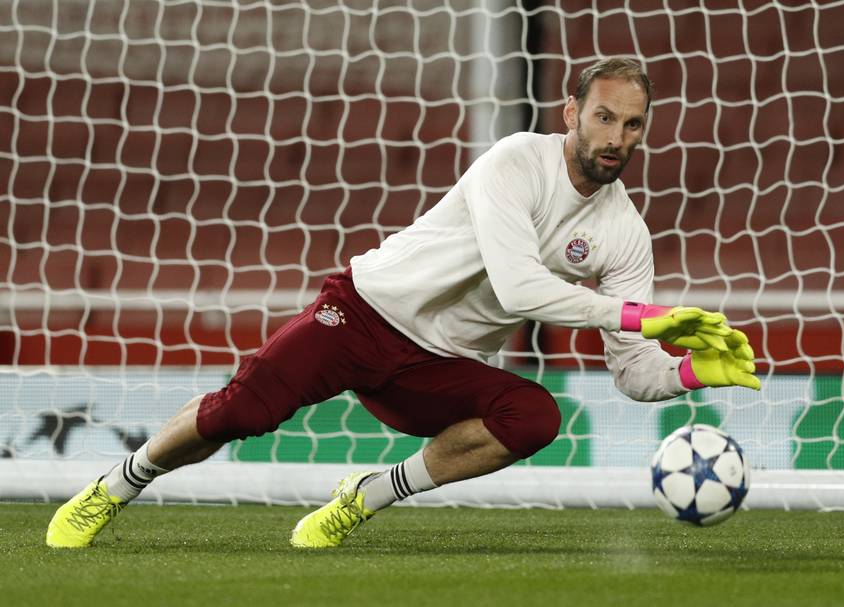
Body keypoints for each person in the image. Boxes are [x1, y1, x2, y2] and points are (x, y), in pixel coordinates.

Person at [45, 57, 759, 549]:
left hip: (436, 366)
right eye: (604, 117)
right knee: (242, 413)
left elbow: (633, 372)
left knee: (535, 416)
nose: (616, 139)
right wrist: (642, 316)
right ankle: (118, 483)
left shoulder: (624, 233)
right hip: (362, 313)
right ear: (572, 111)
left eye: (632, 126)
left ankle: (367, 495)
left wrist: (693, 371)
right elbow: (519, 287)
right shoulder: (516, 160)